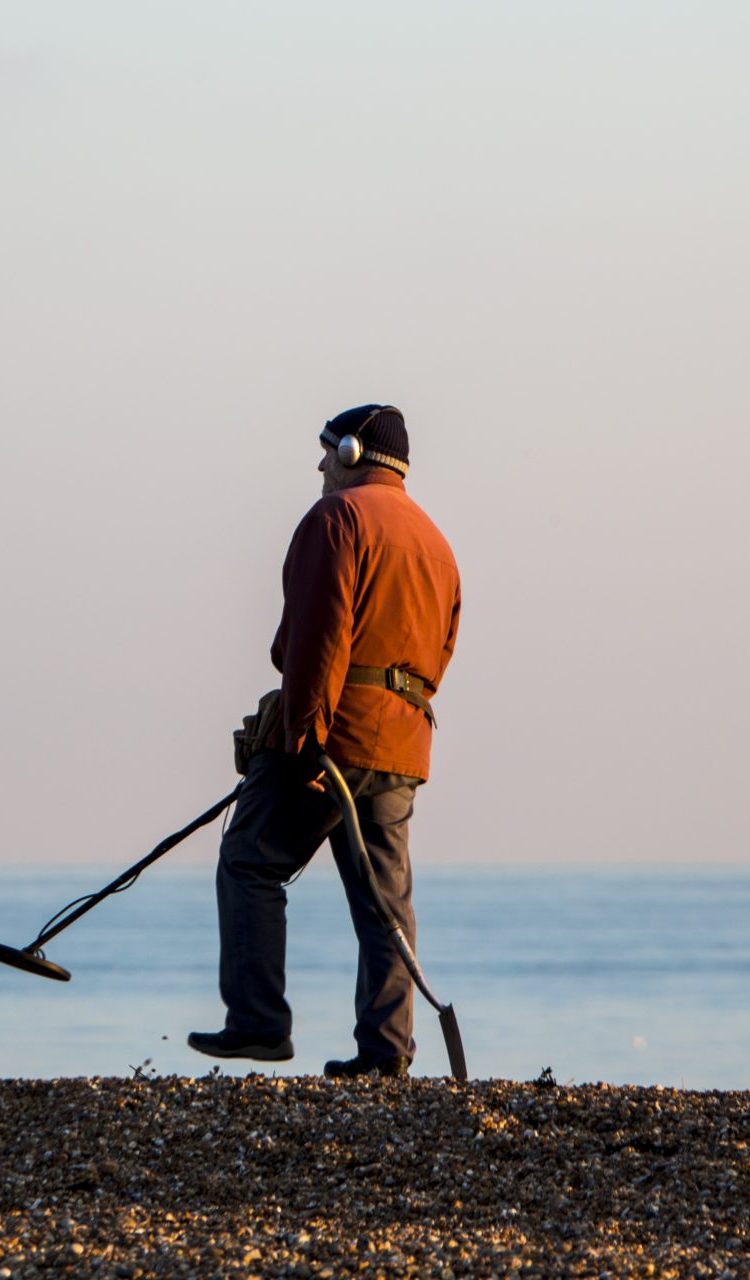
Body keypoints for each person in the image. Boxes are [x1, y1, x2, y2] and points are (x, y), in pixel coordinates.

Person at [188, 404, 462, 1078]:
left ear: (349, 452)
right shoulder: (436, 541)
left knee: (250, 861)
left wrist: (300, 739)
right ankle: (387, 1052)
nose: (317, 467)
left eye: (323, 453)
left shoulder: (335, 520)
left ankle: (257, 1022)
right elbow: (443, 647)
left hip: (332, 733)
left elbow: (315, 639)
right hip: (402, 744)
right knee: (384, 903)